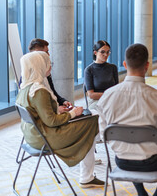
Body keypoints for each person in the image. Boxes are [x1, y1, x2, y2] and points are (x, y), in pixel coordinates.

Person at [97, 44, 157, 196]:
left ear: (125, 64)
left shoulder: (107, 96)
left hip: (122, 160)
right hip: (152, 162)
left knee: (130, 144)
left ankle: (141, 193)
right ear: (147, 66)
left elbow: (104, 136)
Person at [16, 51, 104, 188]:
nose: (50, 66)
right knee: (92, 121)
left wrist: (57, 110)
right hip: (46, 137)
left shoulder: (24, 88)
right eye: (47, 63)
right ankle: (87, 176)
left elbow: (40, 112)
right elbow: (52, 121)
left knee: (90, 121)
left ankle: (89, 168)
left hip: (32, 136)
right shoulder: (39, 91)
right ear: (39, 66)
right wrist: (74, 113)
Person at [28, 38, 72, 110]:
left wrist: (63, 101)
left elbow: (53, 93)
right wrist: (57, 110)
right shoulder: (30, 81)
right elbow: (41, 109)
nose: (48, 55)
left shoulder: (45, 73)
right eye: (46, 52)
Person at [84, 40, 118, 109]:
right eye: (102, 52)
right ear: (95, 52)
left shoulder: (113, 67)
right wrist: (109, 95)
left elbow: (116, 89)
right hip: (96, 101)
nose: (106, 55)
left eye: (108, 52)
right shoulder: (89, 70)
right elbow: (91, 95)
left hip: (111, 100)